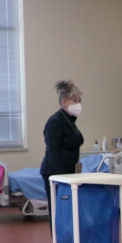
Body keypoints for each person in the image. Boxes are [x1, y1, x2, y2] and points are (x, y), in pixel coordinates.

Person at [40, 80, 84, 223]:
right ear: (64, 102)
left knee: (68, 211)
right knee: (58, 211)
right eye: (74, 100)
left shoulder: (70, 120)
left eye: (79, 100)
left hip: (68, 172)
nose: (78, 104)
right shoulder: (56, 121)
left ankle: (68, 242)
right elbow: (53, 152)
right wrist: (60, 178)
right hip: (55, 173)